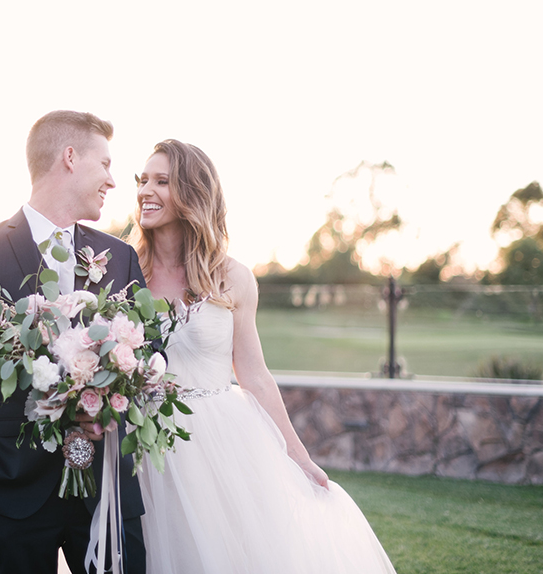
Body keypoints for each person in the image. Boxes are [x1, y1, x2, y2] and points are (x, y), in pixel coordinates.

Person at [131, 139, 397, 573]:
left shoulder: (232, 276)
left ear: (192, 193)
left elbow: (253, 374)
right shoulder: (125, 270)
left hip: (218, 443)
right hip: (143, 444)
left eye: (161, 181)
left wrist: (298, 454)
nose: (146, 190)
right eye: (143, 180)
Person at [0, 110, 147, 574]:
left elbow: (145, 359)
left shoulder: (121, 258)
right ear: (70, 157)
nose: (113, 180)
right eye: (105, 164)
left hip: (105, 490)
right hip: (13, 492)